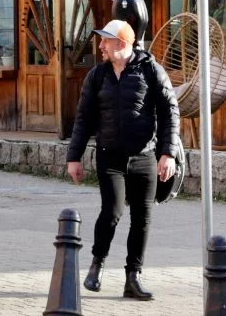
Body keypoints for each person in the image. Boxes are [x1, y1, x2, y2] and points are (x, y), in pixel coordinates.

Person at [64, 18, 180, 301]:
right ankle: (97, 264)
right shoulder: (97, 75)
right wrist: (74, 157)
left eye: (106, 40)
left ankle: (133, 277)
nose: (101, 46)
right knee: (112, 211)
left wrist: (168, 154)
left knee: (142, 218)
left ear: (122, 43)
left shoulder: (151, 70)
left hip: (144, 156)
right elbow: (83, 118)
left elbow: (170, 113)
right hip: (110, 157)